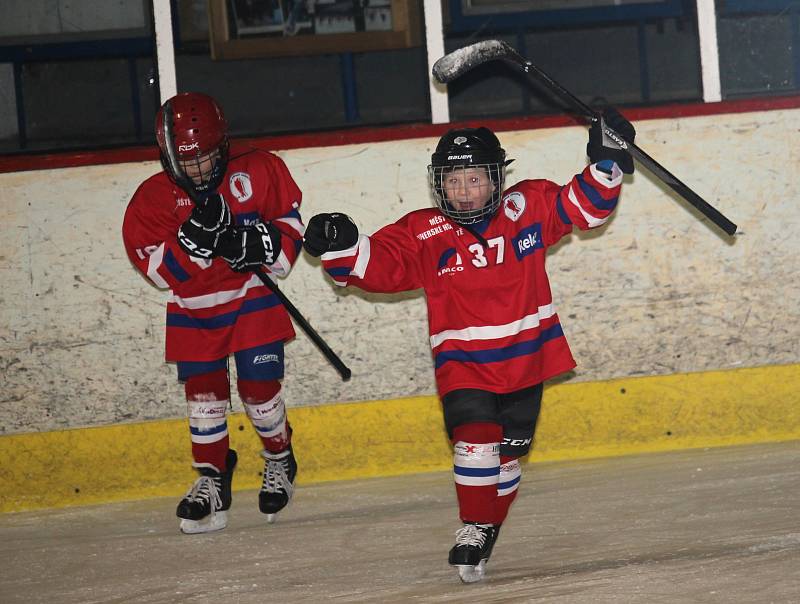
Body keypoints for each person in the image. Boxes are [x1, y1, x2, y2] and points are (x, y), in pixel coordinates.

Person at [302, 108, 635, 582]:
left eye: (473, 179)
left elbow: (584, 209)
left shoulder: (529, 206)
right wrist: (342, 241)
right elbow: (380, 265)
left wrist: (606, 162)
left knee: (507, 459)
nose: (463, 190)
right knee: (474, 448)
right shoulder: (424, 231)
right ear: (439, 184)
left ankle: (488, 524)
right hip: (465, 363)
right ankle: (474, 525)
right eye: (453, 180)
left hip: (526, 359)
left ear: (496, 179)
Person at [122, 92, 304, 534]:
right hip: (195, 311)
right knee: (204, 402)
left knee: (260, 394)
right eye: (188, 162)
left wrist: (258, 243)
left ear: (223, 145)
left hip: (251, 299)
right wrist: (190, 243)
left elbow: (289, 229)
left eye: (206, 157)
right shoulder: (152, 198)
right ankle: (213, 476)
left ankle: (280, 458)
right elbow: (157, 273)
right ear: (167, 157)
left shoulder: (259, 168)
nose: (199, 170)